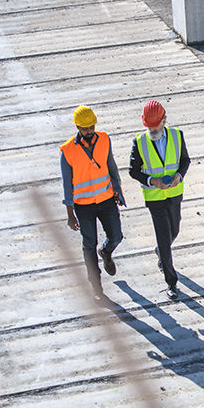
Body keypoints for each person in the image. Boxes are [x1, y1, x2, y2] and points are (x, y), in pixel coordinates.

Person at [60, 105, 125, 300]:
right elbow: (66, 183)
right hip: (83, 206)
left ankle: (106, 252)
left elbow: (112, 167)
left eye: (91, 127)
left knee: (117, 236)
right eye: (85, 128)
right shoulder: (67, 150)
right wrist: (70, 213)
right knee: (89, 244)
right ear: (77, 127)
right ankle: (96, 287)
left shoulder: (104, 139)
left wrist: (118, 192)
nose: (89, 131)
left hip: (106, 200)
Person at [129, 100, 191, 299]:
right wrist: (150, 180)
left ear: (164, 120)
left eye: (155, 126)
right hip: (154, 198)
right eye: (149, 127)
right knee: (164, 238)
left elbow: (185, 161)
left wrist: (179, 176)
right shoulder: (139, 142)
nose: (152, 130)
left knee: (175, 229)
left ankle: (160, 252)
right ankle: (171, 283)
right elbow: (133, 171)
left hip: (174, 193)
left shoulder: (177, 136)